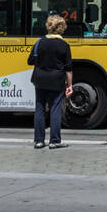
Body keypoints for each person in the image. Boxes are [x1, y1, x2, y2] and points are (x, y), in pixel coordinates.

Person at [28, 14, 73, 149]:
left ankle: (39, 141)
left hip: (40, 79)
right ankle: (54, 141)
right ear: (61, 28)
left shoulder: (39, 42)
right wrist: (70, 85)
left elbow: (30, 61)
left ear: (48, 27)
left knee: (40, 108)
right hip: (56, 80)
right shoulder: (64, 45)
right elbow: (68, 68)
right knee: (55, 109)